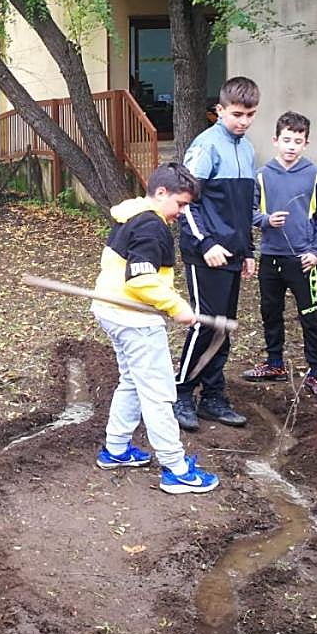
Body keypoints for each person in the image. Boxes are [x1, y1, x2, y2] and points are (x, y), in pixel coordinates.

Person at [91, 163, 220, 494]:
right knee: (159, 393)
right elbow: (141, 279)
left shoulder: (132, 215)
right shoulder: (151, 226)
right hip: (134, 320)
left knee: (132, 381)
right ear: (161, 193)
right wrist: (176, 307)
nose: (182, 212)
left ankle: (117, 450)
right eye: (180, 204)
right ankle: (175, 469)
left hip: (112, 311)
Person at [173, 76, 260, 431]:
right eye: (237, 114)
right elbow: (184, 203)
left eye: (250, 114)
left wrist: (249, 249)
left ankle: (213, 396)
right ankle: (181, 393)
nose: (243, 121)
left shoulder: (248, 148)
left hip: (234, 254)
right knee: (204, 325)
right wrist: (205, 243)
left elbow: (244, 206)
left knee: (223, 328)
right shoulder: (205, 147)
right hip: (204, 253)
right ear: (220, 110)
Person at [244, 111, 317, 400]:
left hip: (303, 261)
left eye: (298, 141)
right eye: (286, 140)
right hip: (270, 257)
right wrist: (266, 220)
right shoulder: (261, 175)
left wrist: (316, 251)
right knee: (270, 313)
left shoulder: (316, 175)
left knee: (310, 316)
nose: (291, 146)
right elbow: (249, 211)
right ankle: (274, 363)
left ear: (306, 143)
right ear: (275, 141)